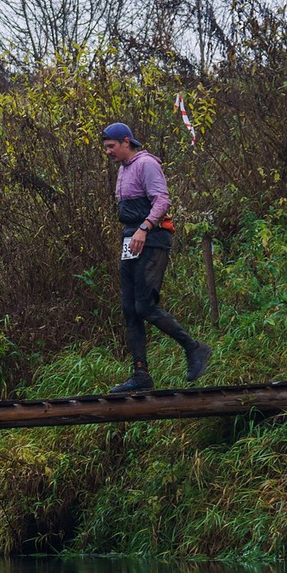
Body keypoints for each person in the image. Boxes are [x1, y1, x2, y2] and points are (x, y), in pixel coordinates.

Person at [100, 123, 212, 392]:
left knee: (144, 306)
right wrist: (134, 233)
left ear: (126, 142)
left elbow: (162, 201)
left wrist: (144, 228)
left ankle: (194, 348)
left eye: (111, 147)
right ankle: (141, 375)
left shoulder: (146, 164)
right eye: (106, 148)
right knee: (129, 309)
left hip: (152, 238)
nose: (108, 152)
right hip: (130, 239)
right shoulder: (123, 169)